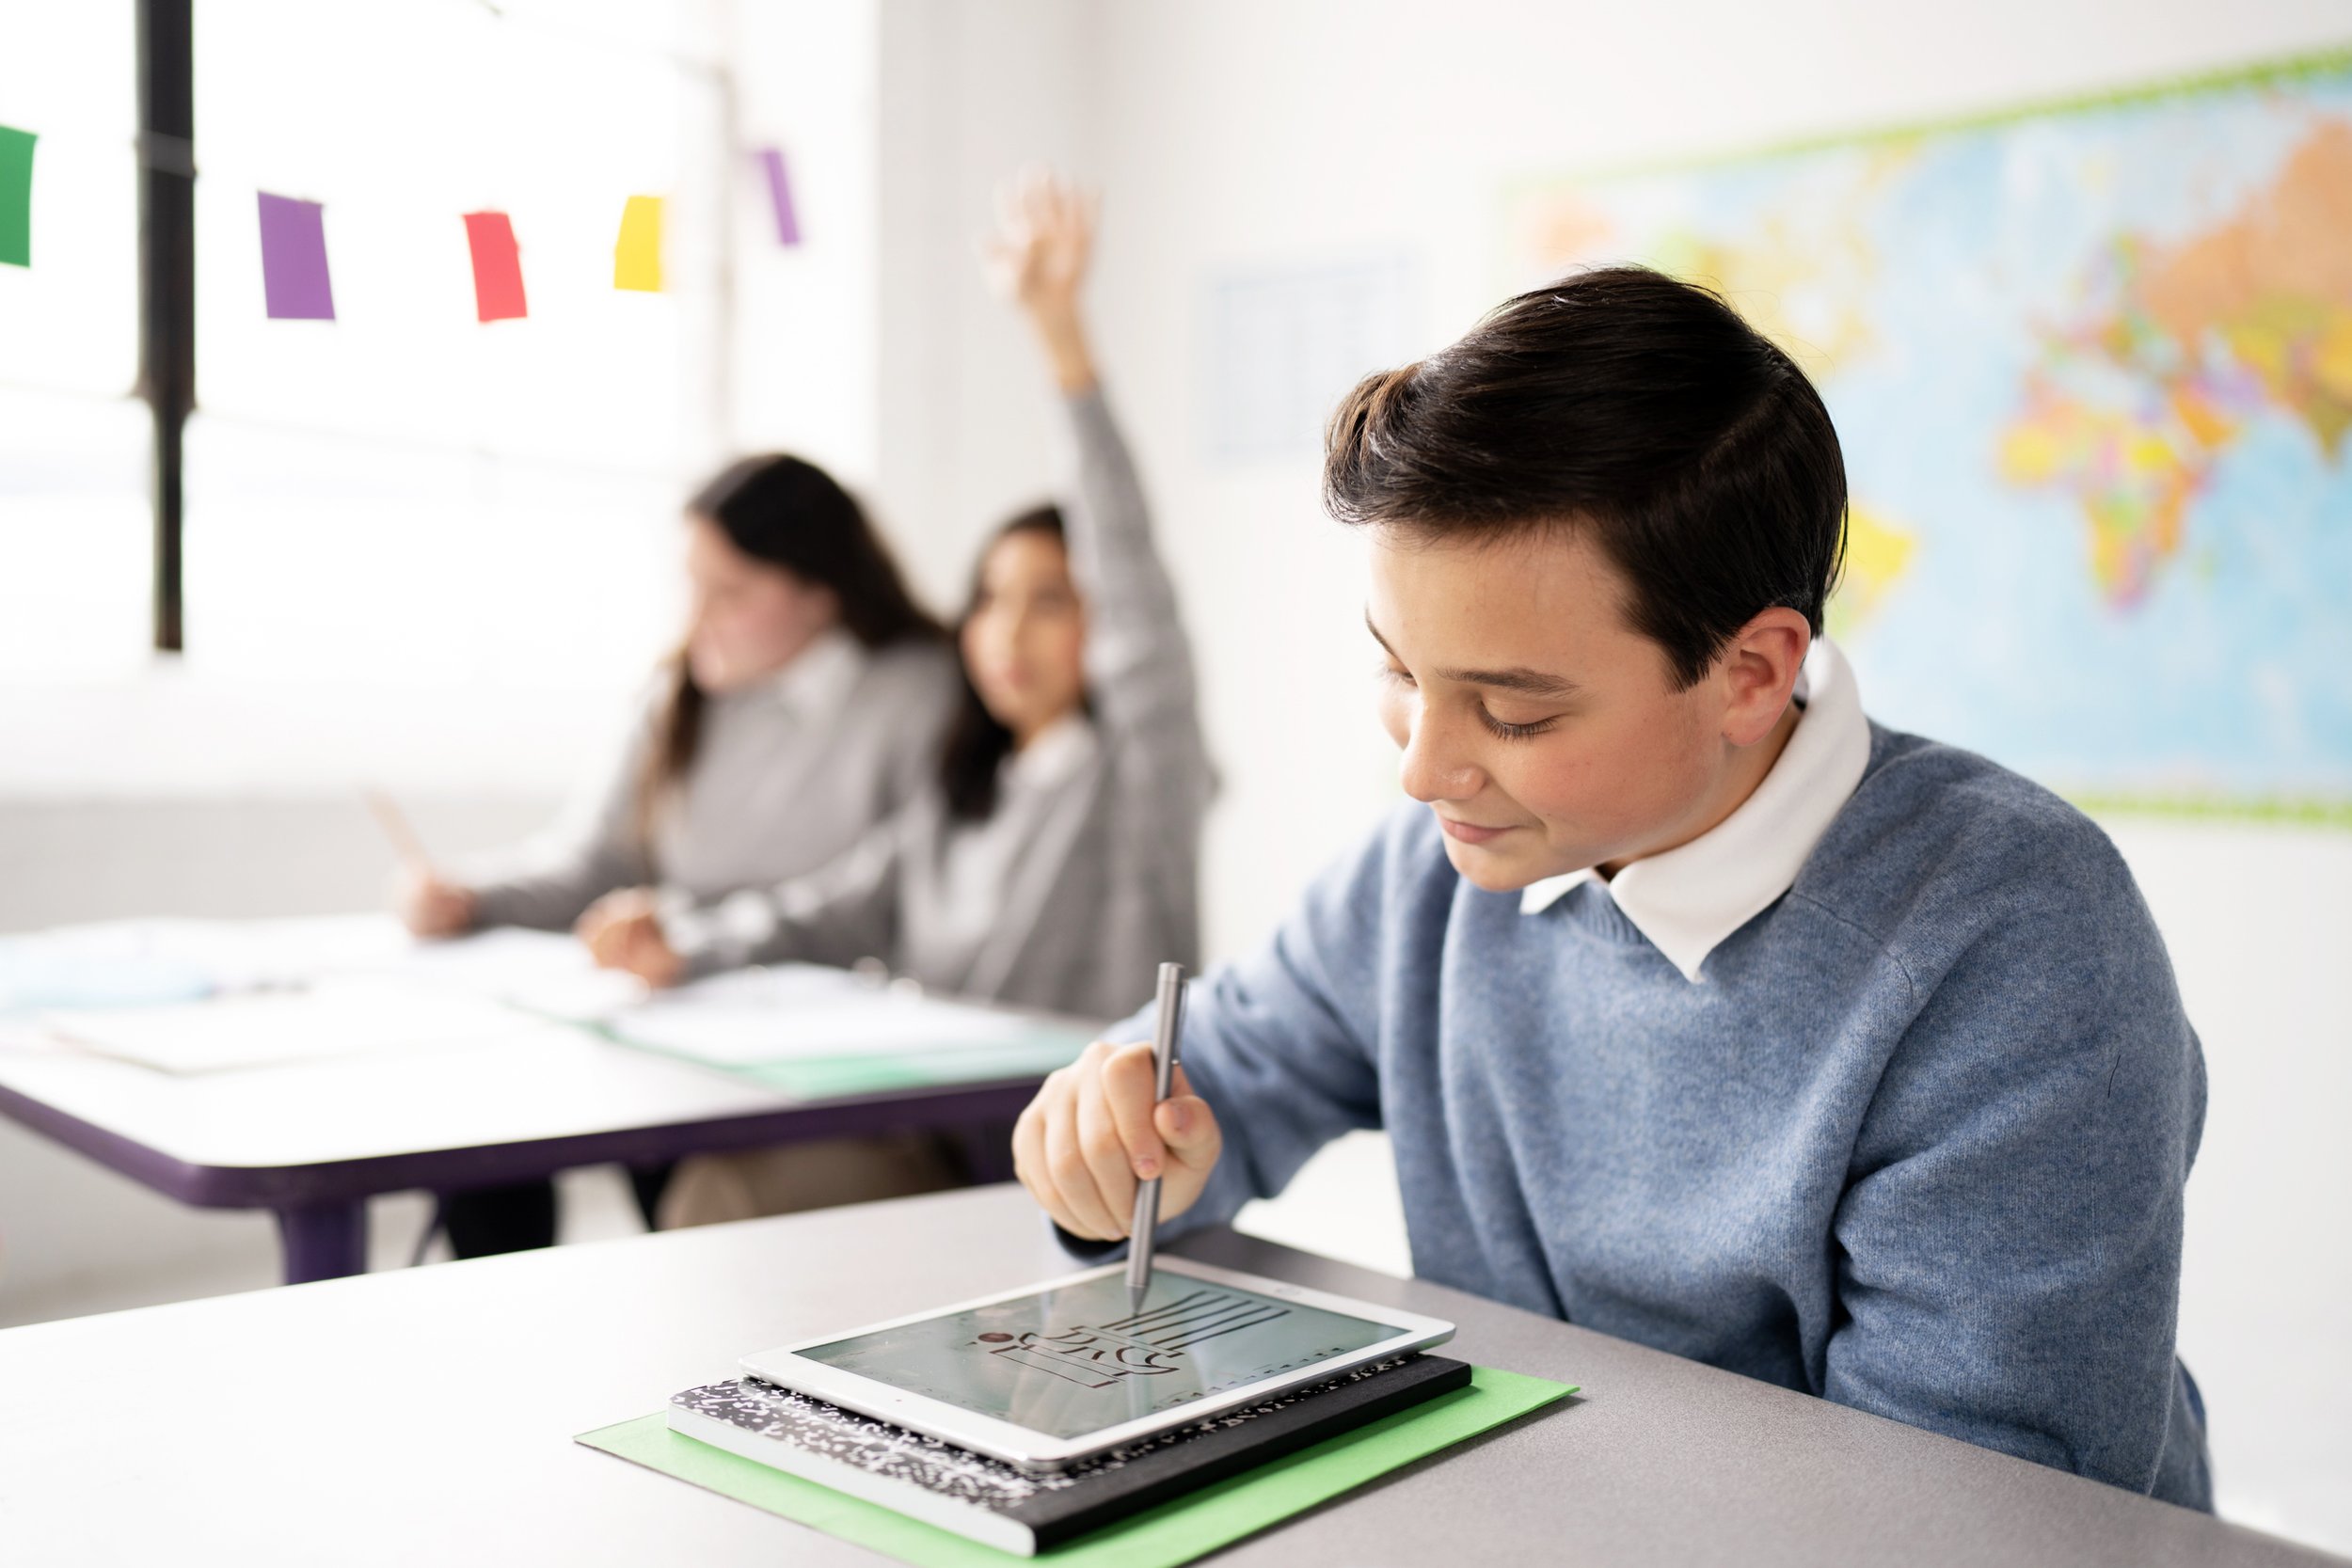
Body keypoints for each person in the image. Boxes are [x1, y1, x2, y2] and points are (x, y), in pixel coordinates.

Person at [1009, 267, 2213, 1510]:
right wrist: (1119, 1132)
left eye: (1514, 707)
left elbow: (1961, 1509)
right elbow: (1227, 1066)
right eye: (1399, 672)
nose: (1422, 764)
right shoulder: (1430, 874)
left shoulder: (2018, 949)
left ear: (1751, 672)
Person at [580, 169, 1215, 1226]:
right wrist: (684, 939)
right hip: (945, 1141)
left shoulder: (1137, 775)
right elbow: (829, 905)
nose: (1008, 631)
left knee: (724, 1196)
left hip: (1083, 1179)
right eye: (990, 601)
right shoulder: (967, 791)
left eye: (1050, 601)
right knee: (710, 1181)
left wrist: (1061, 341)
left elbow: (1135, 579)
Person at [395, 452, 960, 1256]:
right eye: (692, 585)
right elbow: (592, 865)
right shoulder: (678, 694)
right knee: (484, 1136)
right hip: (680, 1015)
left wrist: (690, 942)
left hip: (820, 1050)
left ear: (820, 591)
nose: (699, 617)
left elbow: (874, 900)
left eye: (730, 592)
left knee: (680, 1178)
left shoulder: (919, 692)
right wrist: (470, 896)